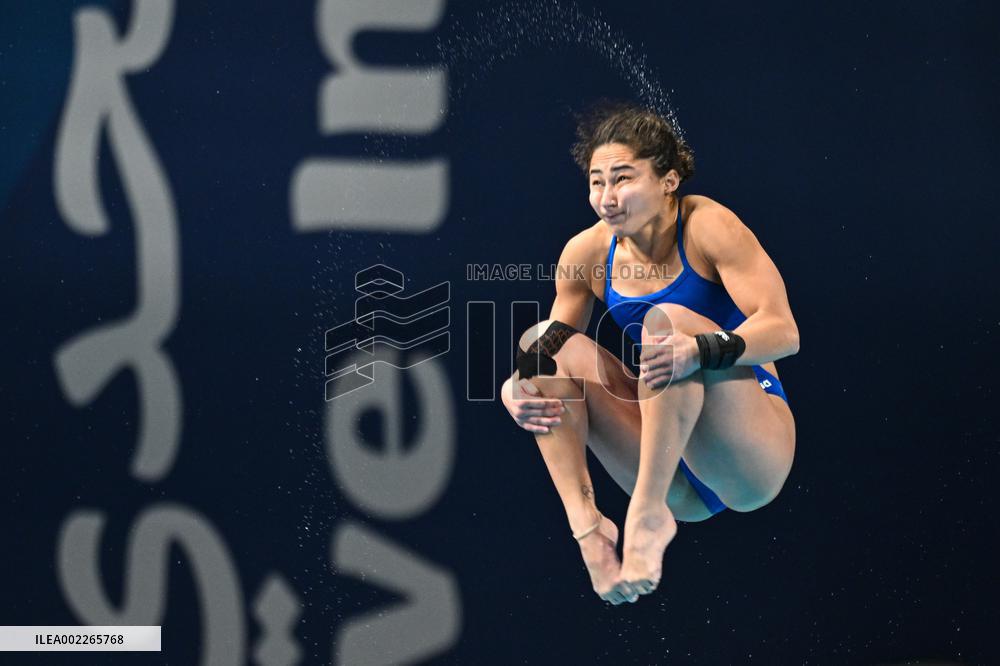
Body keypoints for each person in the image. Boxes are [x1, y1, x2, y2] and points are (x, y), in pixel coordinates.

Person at [500, 103, 799, 605]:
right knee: (538, 345)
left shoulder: (708, 226)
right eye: (597, 182)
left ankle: (645, 513)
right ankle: (590, 529)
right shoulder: (587, 254)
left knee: (670, 323)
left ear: (669, 180)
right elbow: (552, 348)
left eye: (622, 179)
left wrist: (702, 348)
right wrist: (516, 386)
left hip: (750, 449)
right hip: (673, 459)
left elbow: (784, 332)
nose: (606, 198)